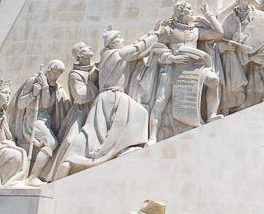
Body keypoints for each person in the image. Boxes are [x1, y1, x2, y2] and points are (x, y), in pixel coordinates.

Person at [56, 27, 156, 175]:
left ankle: (70, 160)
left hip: (106, 96)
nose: (122, 40)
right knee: (139, 114)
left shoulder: (105, 55)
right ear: (112, 42)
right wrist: (156, 34)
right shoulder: (116, 53)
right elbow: (137, 47)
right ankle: (122, 148)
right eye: (119, 38)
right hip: (112, 94)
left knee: (93, 131)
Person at [139, 0, 224, 145]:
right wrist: (172, 58)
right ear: (180, 12)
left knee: (214, 80)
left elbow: (218, 32)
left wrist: (208, 14)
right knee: (160, 101)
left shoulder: (195, 31)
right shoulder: (169, 30)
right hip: (172, 69)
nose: (192, 11)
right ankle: (153, 136)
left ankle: (211, 114)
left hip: (192, 69)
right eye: (189, 9)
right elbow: (156, 48)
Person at [11, 60, 71, 182]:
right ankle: (33, 176)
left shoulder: (53, 87)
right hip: (33, 118)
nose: (56, 76)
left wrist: (45, 88)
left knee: (53, 142)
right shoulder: (33, 81)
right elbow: (20, 104)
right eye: (54, 72)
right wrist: (33, 94)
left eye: (58, 74)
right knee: (51, 142)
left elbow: (47, 103)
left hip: (46, 120)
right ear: (48, 70)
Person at [48, 43, 99, 181]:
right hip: (81, 111)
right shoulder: (75, 75)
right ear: (79, 55)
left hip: (96, 108)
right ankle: (58, 172)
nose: (90, 48)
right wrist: (92, 82)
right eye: (85, 48)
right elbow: (80, 96)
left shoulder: (97, 67)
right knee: (70, 140)